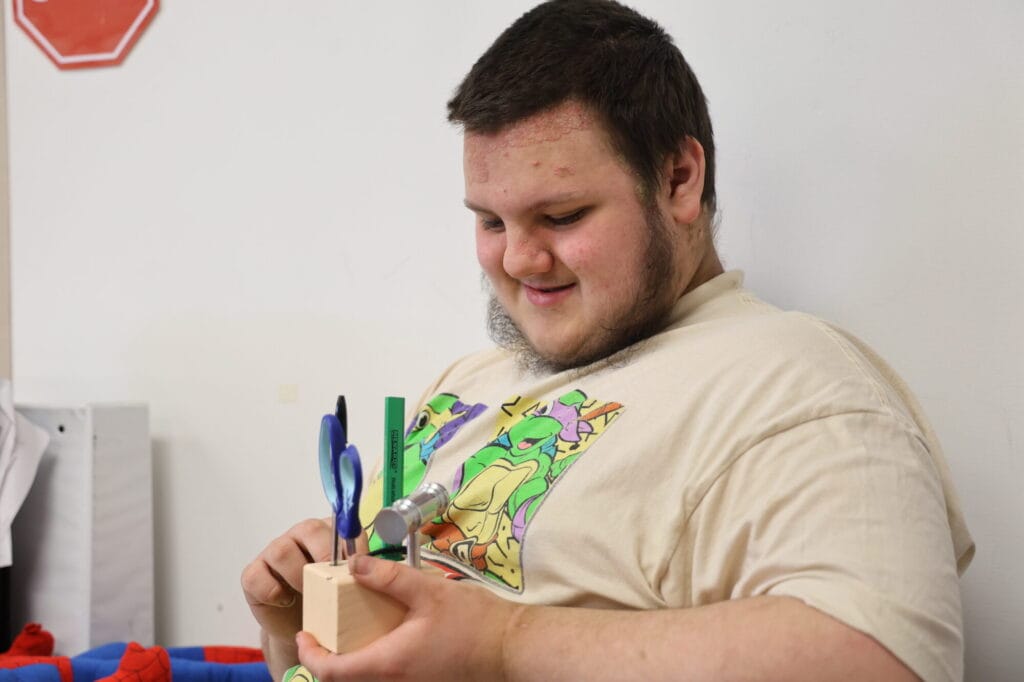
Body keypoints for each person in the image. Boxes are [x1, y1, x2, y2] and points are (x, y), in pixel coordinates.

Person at [241, 1, 974, 680]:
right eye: (491, 222)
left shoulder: (795, 386)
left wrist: (505, 642)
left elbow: (879, 660)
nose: (519, 261)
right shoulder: (468, 381)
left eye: (560, 216)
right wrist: (292, 623)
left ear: (680, 179)